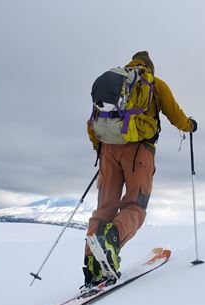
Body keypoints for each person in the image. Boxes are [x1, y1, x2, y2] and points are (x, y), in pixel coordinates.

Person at [83, 51, 197, 287]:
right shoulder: (154, 83)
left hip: (107, 150)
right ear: (150, 67)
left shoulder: (115, 84)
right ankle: (112, 239)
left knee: (104, 208)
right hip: (138, 152)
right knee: (135, 204)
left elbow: (94, 121)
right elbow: (176, 116)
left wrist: (100, 150)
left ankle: (91, 264)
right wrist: (190, 126)